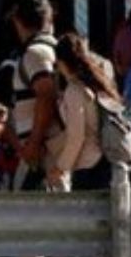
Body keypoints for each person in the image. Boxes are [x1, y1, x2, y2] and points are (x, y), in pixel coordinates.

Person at [50, 35, 121, 192]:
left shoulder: (74, 91)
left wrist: (60, 167)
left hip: (88, 166)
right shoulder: (98, 84)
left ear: (61, 63)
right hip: (107, 160)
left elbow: (76, 137)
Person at [8, 0, 60, 191]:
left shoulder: (35, 53)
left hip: (42, 154)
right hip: (49, 150)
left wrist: (34, 144)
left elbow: (46, 96)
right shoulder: (54, 49)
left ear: (18, 21)